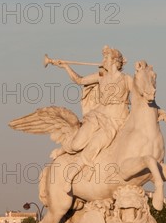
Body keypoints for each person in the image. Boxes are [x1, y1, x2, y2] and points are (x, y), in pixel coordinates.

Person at [54, 45, 132, 180]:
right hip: (98, 115)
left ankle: (73, 173)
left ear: (114, 60)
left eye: (105, 57)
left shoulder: (127, 79)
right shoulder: (101, 76)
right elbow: (79, 80)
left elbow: (142, 96)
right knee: (77, 144)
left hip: (116, 119)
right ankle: (66, 148)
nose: (103, 60)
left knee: (96, 143)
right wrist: (66, 67)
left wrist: (157, 111)